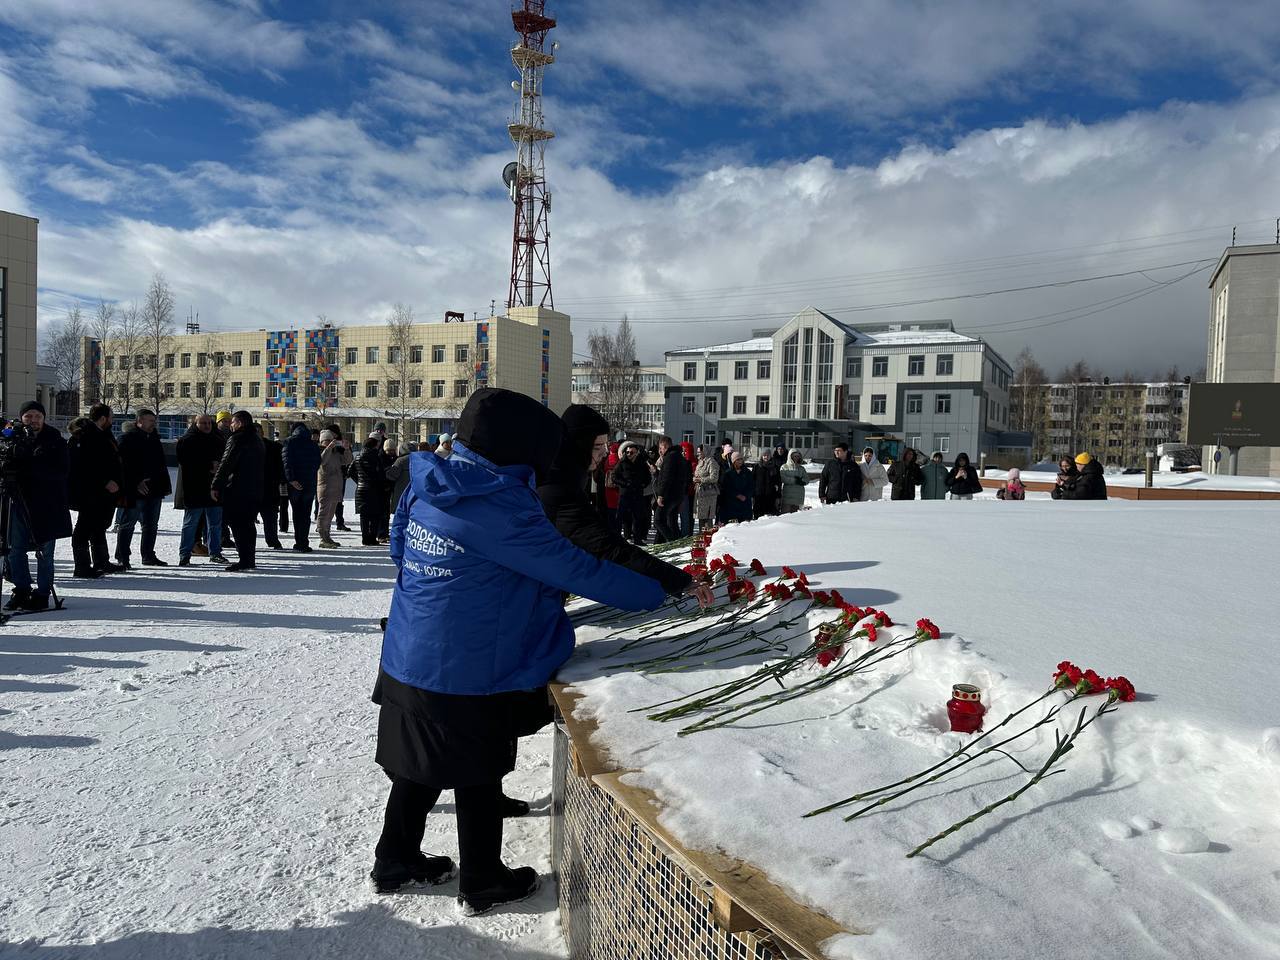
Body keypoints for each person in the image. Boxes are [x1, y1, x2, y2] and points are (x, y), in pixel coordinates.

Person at [373, 388, 667, 911]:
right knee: (478, 774)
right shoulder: (499, 505)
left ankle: (395, 860)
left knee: (418, 764)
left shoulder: (426, 483)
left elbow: (400, 548)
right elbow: (577, 568)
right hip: (469, 665)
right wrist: (661, 592)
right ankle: (482, 881)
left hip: (409, 650)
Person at [3, 401, 72, 611]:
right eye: (28, 416)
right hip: (17, 501)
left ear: (43, 418)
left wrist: (32, 465)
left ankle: (42, 593)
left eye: (37, 417)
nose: (33, 421)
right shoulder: (12, 438)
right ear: (22, 418)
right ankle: (22, 589)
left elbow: (61, 471)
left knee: (45, 553)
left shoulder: (55, 441)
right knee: (15, 550)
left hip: (46, 504)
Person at [67, 403, 123, 578]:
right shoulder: (85, 436)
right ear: (104, 418)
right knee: (83, 528)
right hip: (89, 491)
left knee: (98, 526)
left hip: (104, 492)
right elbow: (83, 466)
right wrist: (105, 481)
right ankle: (82, 566)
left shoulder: (103, 434)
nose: (112, 421)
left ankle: (101, 561)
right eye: (111, 417)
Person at [115, 408, 172, 568]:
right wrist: (136, 482)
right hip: (134, 489)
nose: (153, 423)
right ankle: (123, 556)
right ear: (139, 421)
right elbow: (123, 466)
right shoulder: (126, 439)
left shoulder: (154, 438)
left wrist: (162, 485)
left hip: (155, 488)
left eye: (154, 421)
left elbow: (160, 465)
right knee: (128, 523)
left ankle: (148, 555)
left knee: (151, 524)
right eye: (150, 420)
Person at [211, 410, 265, 572]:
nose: (231, 425)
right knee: (248, 525)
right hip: (255, 488)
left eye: (233, 422)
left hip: (238, 488)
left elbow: (226, 463)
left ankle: (245, 559)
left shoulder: (236, 438)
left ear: (240, 423)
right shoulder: (257, 439)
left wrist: (215, 485)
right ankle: (249, 558)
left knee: (238, 524)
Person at [175, 413, 228, 566]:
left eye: (209, 423)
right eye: (203, 423)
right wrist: (208, 466)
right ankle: (184, 554)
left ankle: (215, 553)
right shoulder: (187, 440)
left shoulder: (217, 440)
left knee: (215, 524)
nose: (207, 426)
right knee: (190, 524)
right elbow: (185, 462)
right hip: (194, 488)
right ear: (195, 424)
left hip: (214, 488)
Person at [282, 421, 321, 552]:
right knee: (306, 513)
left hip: (294, 484)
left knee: (296, 512)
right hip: (309, 482)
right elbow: (317, 463)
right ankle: (304, 542)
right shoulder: (313, 444)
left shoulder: (289, 442)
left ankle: (298, 541)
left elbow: (286, 462)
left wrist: (291, 479)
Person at [610, 440, 652, 544]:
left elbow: (648, 477)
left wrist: (643, 484)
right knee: (621, 517)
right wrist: (624, 483)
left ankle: (637, 539)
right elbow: (614, 476)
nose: (629, 454)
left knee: (638, 517)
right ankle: (619, 537)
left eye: (631, 452)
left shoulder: (642, 463)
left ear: (637, 452)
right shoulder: (622, 462)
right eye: (627, 452)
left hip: (637, 494)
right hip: (625, 494)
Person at [316, 429, 353, 548]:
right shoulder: (320, 452)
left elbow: (347, 460)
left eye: (331, 440)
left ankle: (327, 535)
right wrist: (328, 448)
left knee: (330, 514)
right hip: (325, 488)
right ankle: (322, 537)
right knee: (323, 514)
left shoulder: (336, 453)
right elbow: (322, 461)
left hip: (336, 488)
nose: (330, 443)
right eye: (327, 441)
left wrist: (346, 449)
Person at [652, 436, 689, 543]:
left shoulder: (670, 457)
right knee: (670, 520)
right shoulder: (678, 456)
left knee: (658, 520)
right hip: (677, 494)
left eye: (661, 447)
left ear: (666, 446)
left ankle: (672, 541)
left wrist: (661, 495)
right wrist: (656, 473)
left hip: (669, 495)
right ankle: (661, 542)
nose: (660, 450)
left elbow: (667, 478)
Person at [354, 437, 388, 546]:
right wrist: (383, 485)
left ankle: (365, 538)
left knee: (364, 516)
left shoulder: (358, 456)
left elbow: (350, 471)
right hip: (374, 489)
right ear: (374, 445)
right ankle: (372, 538)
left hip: (361, 490)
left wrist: (360, 481)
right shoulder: (376, 456)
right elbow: (381, 474)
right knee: (375, 515)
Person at [257, 424, 286, 550]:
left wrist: (281, 480)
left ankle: (273, 539)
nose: (256, 434)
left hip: (270, 487)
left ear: (262, 432)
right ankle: (247, 543)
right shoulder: (243, 446)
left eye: (258, 431)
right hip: (250, 488)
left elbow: (281, 466)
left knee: (270, 517)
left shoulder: (274, 447)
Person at [692, 443, 720, 531]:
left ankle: (708, 537)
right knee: (701, 517)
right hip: (700, 493)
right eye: (697, 452)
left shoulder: (711, 462)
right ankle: (702, 536)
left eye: (700, 452)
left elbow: (714, 477)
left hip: (709, 493)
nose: (698, 454)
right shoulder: (701, 461)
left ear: (705, 451)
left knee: (707, 518)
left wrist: (701, 480)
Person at [719, 452, 753, 522]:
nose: (740, 461)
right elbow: (726, 487)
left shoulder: (747, 472)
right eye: (738, 460)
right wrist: (737, 495)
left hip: (745, 504)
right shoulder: (728, 473)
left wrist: (745, 496)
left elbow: (751, 486)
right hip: (731, 504)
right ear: (734, 461)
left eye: (741, 459)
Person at [384, 442, 414, 515]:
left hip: (401, 491)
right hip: (414, 492)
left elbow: (392, 475)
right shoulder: (419, 459)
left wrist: (387, 471)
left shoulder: (401, 460)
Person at [778, 449, 809, 513]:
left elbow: (807, 479)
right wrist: (794, 480)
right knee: (785, 516)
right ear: (790, 456)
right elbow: (783, 478)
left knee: (796, 518)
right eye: (795, 456)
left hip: (798, 498)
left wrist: (801, 481)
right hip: (787, 498)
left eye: (798, 456)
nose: (796, 458)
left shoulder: (801, 468)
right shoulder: (784, 467)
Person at [753, 450, 781, 519]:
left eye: (767, 455)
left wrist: (778, 495)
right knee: (758, 517)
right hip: (759, 496)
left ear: (770, 456)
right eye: (764, 455)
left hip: (771, 497)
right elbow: (752, 480)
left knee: (769, 518)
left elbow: (778, 482)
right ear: (761, 456)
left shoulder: (775, 467)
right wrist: (752, 493)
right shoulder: (757, 467)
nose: (766, 457)